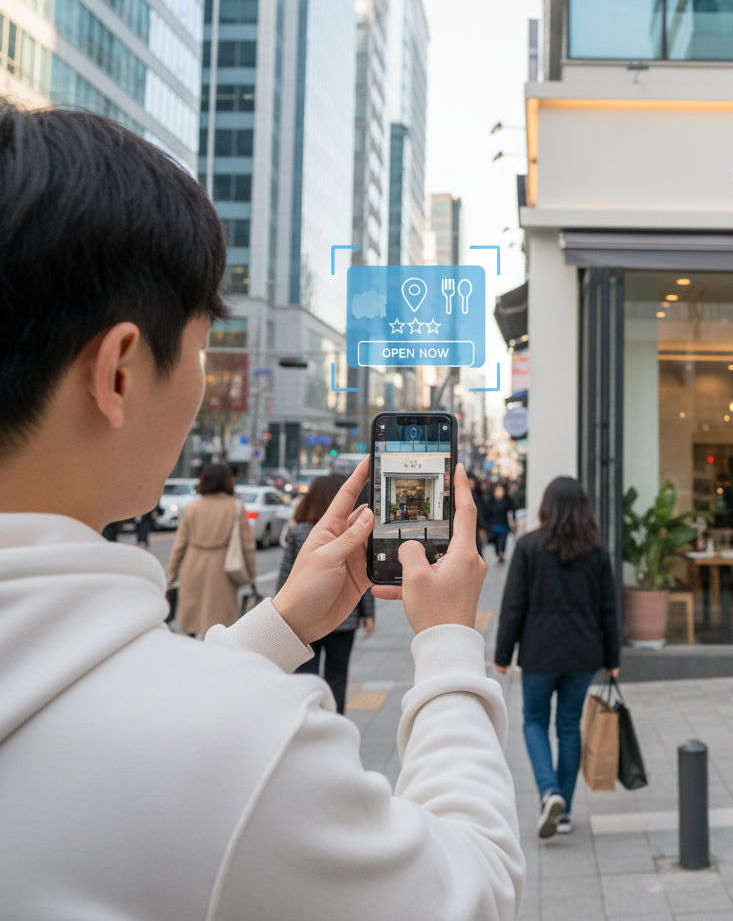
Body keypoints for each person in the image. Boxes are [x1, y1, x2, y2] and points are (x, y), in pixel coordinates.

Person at [0, 102, 523, 919]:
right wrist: (453, 645)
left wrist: (274, 628)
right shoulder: (244, 752)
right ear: (120, 372)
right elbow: (473, 891)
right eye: (205, 348)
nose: (206, 377)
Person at [494, 476, 620, 839]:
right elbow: (608, 609)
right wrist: (612, 657)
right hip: (583, 654)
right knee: (568, 727)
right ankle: (563, 810)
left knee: (534, 722)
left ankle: (548, 793)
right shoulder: (595, 549)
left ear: (546, 507)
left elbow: (513, 605)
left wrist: (503, 654)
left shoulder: (530, 546)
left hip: (538, 653)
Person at [278, 474, 374, 713]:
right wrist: (368, 613)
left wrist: (279, 611)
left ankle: (307, 720)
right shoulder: (349, 531)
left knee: (305, 674)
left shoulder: (299, 531)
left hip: (304, 613)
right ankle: (335, 722)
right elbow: (363, 576)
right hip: (346, 618)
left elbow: (286, 574)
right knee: (338, 675)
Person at [166, 463, 257, 636]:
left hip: (193, 566)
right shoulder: (236, 507)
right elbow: (248, 545)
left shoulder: (192, 508)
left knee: (191, 621)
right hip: (223, 569)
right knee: (220, 625)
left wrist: (172, 573)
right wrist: (252, 575)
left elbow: (179, 545)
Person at [487, 482, 515, 563]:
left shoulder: (507, 501)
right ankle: (498, 552)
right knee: (496, 540)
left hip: (504, 524)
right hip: (494, 524)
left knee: (503, 539)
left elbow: (511, 511)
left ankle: (501, 552)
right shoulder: (491, 501)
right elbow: (487, 512)